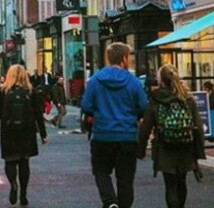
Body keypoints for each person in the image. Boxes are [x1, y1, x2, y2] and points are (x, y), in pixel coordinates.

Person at [81, 42, 148, 208]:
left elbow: (86, 106)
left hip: (102, 135)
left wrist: (96, 114)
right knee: (125, 178)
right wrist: (134, 116)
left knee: (101, 171)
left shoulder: (96, 80)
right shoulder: (133, 82)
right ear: (124, 58)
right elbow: (143, 106)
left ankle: (110, 202)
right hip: (127, 135)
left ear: (108, 58)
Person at [137, 64, 206, 208]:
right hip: (186, 146)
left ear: (160, 80)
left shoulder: (156, 99)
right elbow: (198, 126)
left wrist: (140, 150)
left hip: (165, 147)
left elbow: (145, 127)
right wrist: (199, 149)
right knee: (182, 182)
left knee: (170, 185)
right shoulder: (187, 98)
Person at [0, 64, 48, 206]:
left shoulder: (2, 91)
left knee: (10, 160)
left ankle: (13, 185)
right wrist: (43, 133)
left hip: (8, 129)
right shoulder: (30, 91)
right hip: (26, 130)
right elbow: (38, 114)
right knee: (24, 162)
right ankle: (23, 193)